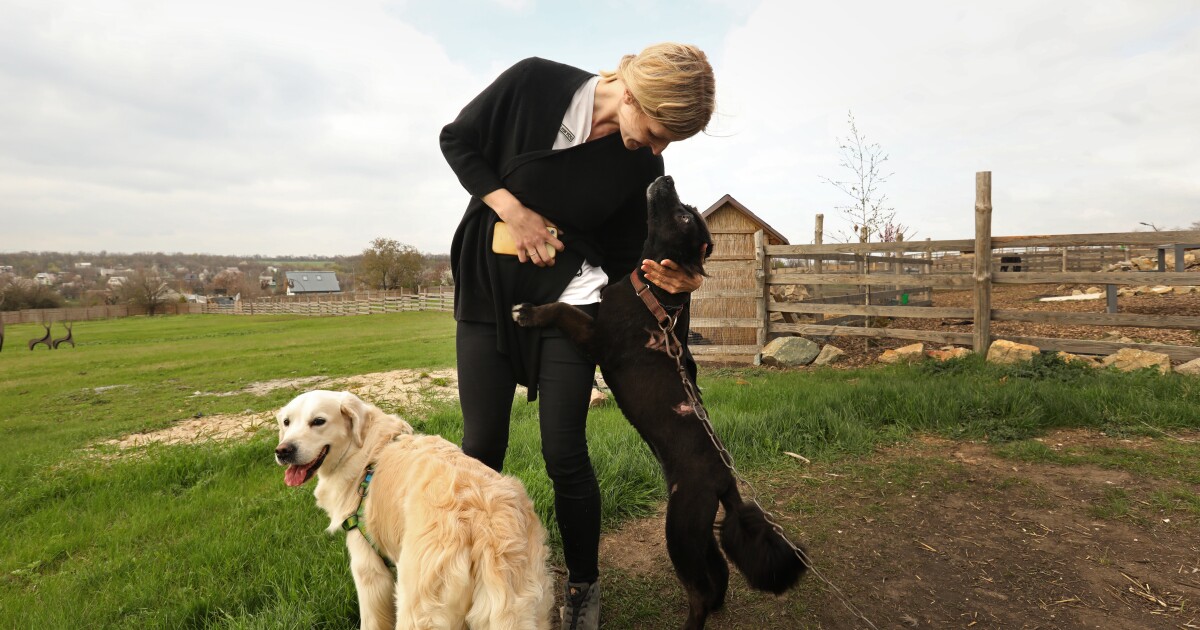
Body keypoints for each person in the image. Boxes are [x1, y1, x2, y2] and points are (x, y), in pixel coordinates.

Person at [440, 42, 715, 630]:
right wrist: (513, 211)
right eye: (661, 131)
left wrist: (667, 282)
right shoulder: (535, 82)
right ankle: (470, 580)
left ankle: (584, 587)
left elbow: (626, 257)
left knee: (564, 450)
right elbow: (456, 141)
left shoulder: (642, 166)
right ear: (638, 94)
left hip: (573, 297)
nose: (659, 150)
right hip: (488, 288)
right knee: (481, 446)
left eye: (670, 143)